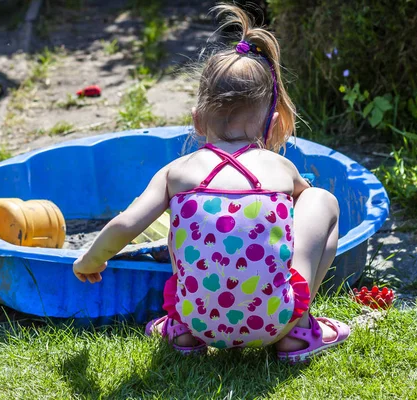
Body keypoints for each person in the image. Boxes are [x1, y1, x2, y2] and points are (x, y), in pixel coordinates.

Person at [73, 4, 350, 362]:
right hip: (273, 321)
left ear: (197, 120)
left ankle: (183, 333)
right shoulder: (280, 168)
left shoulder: (176, 172)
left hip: (198, 321)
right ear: (274, 120)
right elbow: (304, 216)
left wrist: (89, 262)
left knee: (184, 220)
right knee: (321, 200)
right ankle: (297, 332)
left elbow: (126, 223)